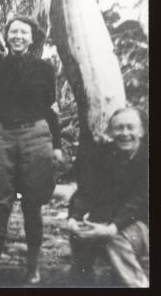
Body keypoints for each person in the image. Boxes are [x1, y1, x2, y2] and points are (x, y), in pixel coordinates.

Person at [0, 15, 64, 285]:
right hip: (1, 134)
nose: (18, 37)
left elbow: (51, 109)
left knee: (32, 204)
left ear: (32, 37)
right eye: (13, 32)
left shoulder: (44, 69)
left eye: (23, 33)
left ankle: (33, 267)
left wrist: (58, 145)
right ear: (7, 35)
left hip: (36, 135)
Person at [66, 108, 148, 287]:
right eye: (119, 128)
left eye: (130, 127)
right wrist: (74, 217)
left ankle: (138, 284)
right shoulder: (103, 155)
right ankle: (83, 282)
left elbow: (141, 202)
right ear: (111, 131)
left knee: (116, 238)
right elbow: (86, 191)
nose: (125, 133)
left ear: (141, 131)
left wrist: (112, 227)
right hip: (112, 220)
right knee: (81, 234)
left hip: (143, 224)